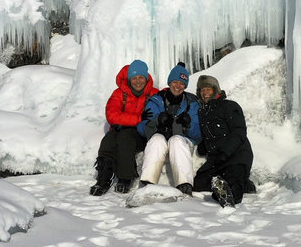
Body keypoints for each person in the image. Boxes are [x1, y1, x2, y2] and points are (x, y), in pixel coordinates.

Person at [90, 59, 158, 196]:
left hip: (142, 134)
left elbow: (154, 116)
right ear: (129, 79)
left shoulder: (154, 94)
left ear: (146, 78)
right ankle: (104, 178)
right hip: (121, 130)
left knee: (125, 137)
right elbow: (112, 115)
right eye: (134, 78)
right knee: (108, 141)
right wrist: (138, 119)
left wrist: (126, 121)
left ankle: (125, 178)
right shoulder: (119, 93)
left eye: (141, 77)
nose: (138, 81)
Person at [137, 62, 201, 194]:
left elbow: (199, 134)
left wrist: (188, 126)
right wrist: (157, 122)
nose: (178, 86)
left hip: (182, 142)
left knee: (176, 140)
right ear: (169, 82)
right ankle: (147, 184)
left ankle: (184, 185)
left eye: (182, 84)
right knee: (157, 139)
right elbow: (141, 129)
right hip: (161, 141)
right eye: (175, 82)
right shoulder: (156, 100)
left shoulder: (192, 103)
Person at [191, 74, 254, 208]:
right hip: (216, 159)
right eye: (202, 90)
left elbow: (239, 131)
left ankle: (229, 195)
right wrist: (203, 146)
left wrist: (225, 152)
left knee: (232, 179)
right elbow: (209, 134)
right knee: (199, 183)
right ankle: (240, 184)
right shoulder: (203, 112)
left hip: (237, 154)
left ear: (215, 90)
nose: (205, 93)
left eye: (208, 89)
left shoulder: (230, 106)